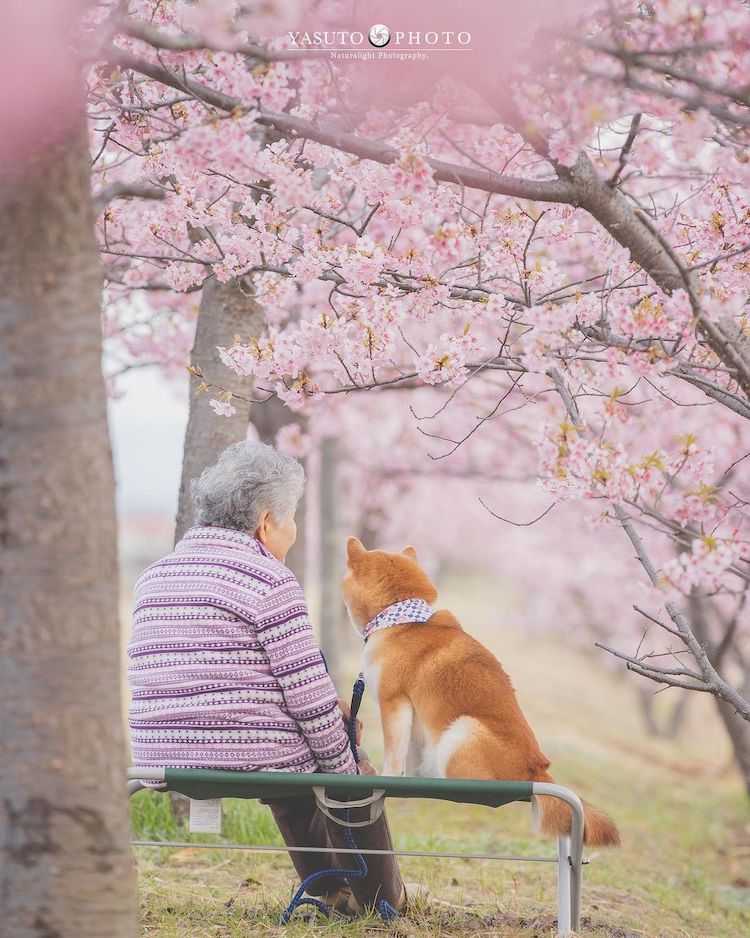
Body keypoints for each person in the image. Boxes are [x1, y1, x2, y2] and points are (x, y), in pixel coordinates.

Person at [127, 440, 406, 915]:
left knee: (299, 775)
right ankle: (383, 904)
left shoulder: (153, 576)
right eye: (291, 516)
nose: (294, 530)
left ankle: (333, 894)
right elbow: (310, 701)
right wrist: (348, 768)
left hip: (157, 755)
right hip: (247, 754)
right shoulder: (268, 580)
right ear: (265, 522)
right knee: (340, 767)